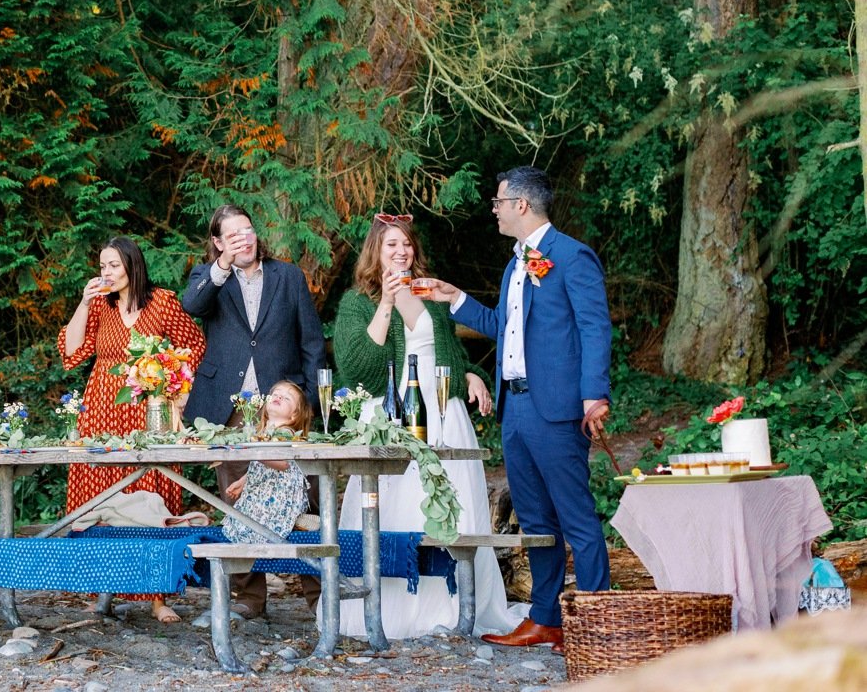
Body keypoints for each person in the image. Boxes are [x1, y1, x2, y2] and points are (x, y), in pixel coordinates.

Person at [423, 166, 613, 654]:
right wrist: (455, 298)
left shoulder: (572, 258)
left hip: (557, 409)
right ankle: (546, 619)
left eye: (499, 201)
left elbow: (594, 328)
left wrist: (595, 394)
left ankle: (594, 621)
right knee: (534, 521)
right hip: (517, 408)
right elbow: (500, 323)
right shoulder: (515, 264)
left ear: (521, 206)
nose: (495, 208)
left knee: (575, 516)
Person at [329, 213, 526, 639]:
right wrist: (385, 302)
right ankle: (393, 609)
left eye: (406, 244)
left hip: (441, 415)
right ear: (375, 252)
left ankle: (454, 606)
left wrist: (470, 373)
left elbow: (447, 354)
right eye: (391, 245)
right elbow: (358, 371)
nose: (401, 252)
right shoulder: (356, 301)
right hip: (388, 417)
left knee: (450, 506)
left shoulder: (430, 292)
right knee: (396, 505)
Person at [181, 204, 326, 619]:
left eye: (248, 229)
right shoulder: (207, 277)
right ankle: (249, 598)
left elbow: (312, 342)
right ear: (218, 243)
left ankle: (318, 597)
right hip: (230, 410)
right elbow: (192, 305)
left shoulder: (289, 276)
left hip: (284, 407)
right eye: (233, 235)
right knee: (236, 501)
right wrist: (222, 265)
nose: (245, 238)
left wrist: (312, 405)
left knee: (307, 499)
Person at [58, 236, 207, 624]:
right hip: (102, 408)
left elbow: (193, 346)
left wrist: (178, 391)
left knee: (152, 492)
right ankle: (103, 588)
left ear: (131, 264)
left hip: (150, 408)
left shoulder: (162, 301)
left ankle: (158, 595)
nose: (105, 272)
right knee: (101, 496)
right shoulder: (100, 307)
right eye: (102, 265)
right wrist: (84, 302)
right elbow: (71, 353)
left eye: (112, 265)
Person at [220, 381, 312, 544]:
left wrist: (255, 452)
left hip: (278, 496)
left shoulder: (286, 433)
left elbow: (283, 463)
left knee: (258, 527)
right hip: (262, 493)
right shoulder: (262, 432)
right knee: (245, 522)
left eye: (287, 398)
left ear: (294, 416)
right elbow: (260, 465)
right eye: (276, 394)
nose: (279, 397)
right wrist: (243, 481)